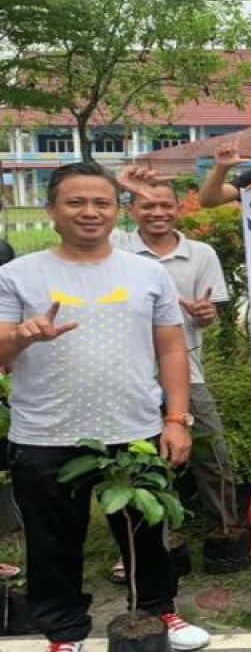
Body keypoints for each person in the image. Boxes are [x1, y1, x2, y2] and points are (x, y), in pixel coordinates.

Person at [0, 162, 209, 652]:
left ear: (119, 211)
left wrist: (176, 419)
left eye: (102, 203)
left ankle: (159, 613)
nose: (89, 212)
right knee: (52, 545)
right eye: (76, 202)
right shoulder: (16, 275)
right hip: (45, 433)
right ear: (51, 209)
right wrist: (22, 336)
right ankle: (63, 631)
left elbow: (172, 350)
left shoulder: (147, 273)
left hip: (133, 428)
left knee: (146, 535)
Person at [112, 174, 239, 570]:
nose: (157, 212)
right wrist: (120, 181)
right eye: (147, 205)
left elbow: (210, 316)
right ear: (131, 210)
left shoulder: (200, 253)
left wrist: (204, 314)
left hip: (188, 369)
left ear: (179, 209)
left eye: (166, 205)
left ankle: (227, 532)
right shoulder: (116, 247)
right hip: (128, 372)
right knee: (138, 458)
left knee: (213, 454)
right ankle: (148, 541)